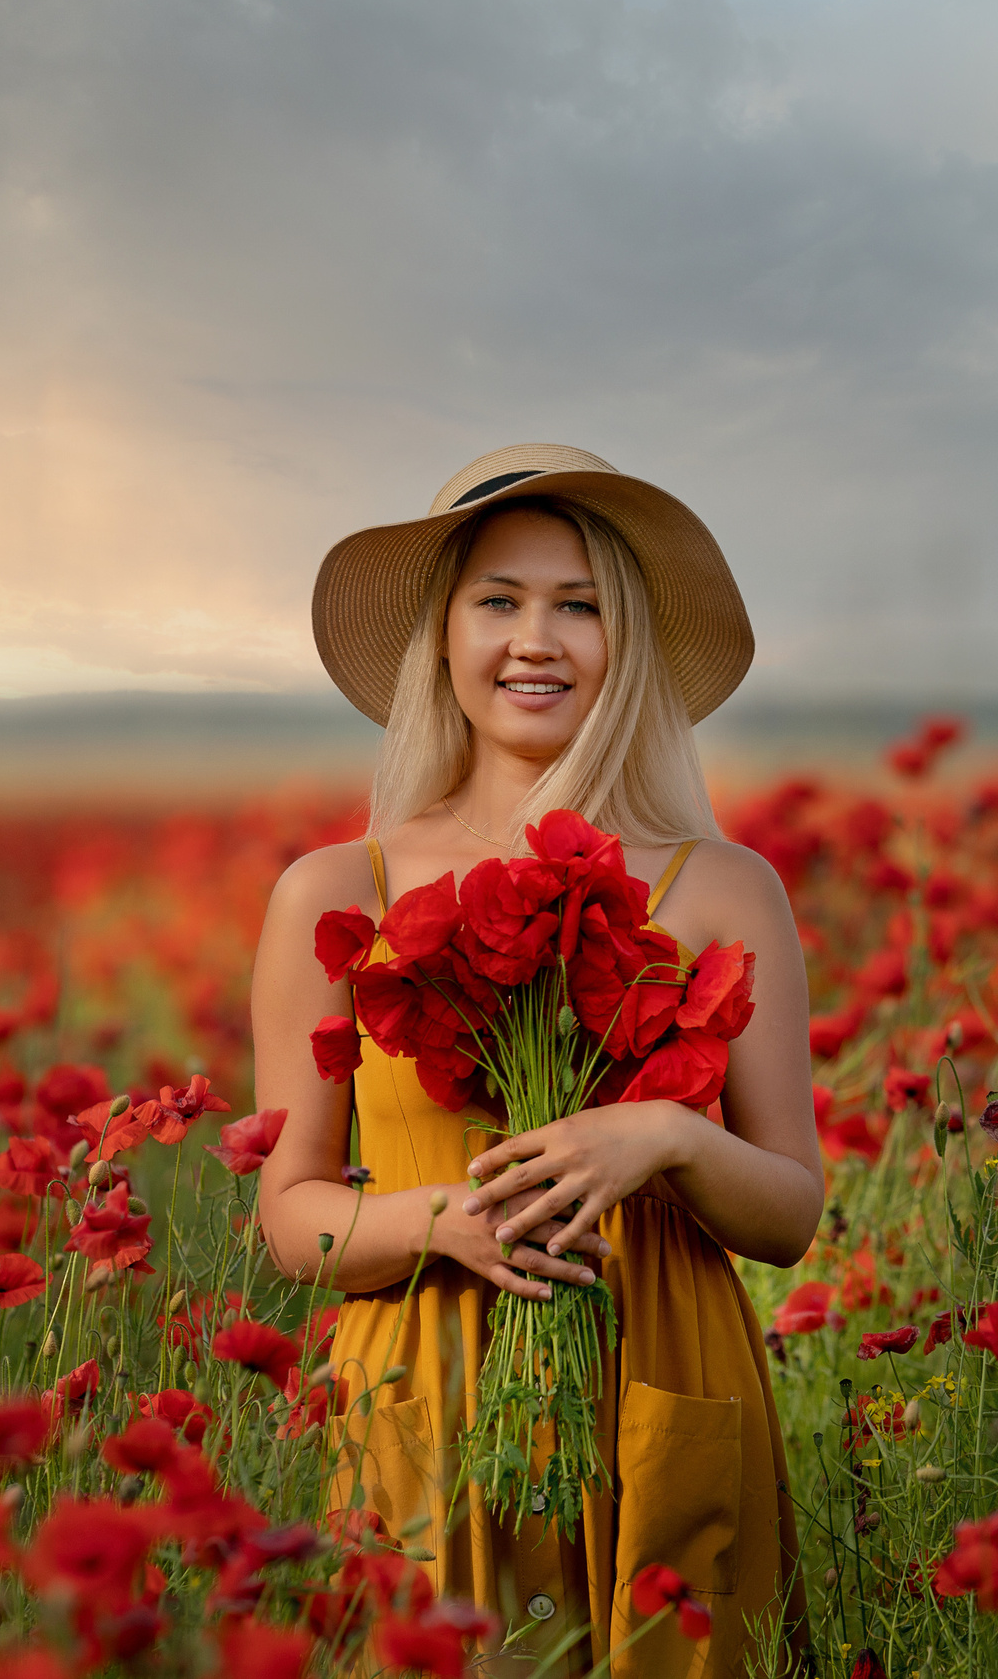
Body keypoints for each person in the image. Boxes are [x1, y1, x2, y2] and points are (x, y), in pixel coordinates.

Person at [252, 445, 823, 1677]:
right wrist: (440, 1219)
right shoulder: (333, 891)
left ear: (627, 646)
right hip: (423, 1384)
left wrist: (668, 1139)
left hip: (662, 1372)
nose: (536, 640)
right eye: (498, 601)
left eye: (581, 606)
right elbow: (292, 1217)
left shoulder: (723, 888)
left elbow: (789, 1213)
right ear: (441, 636)